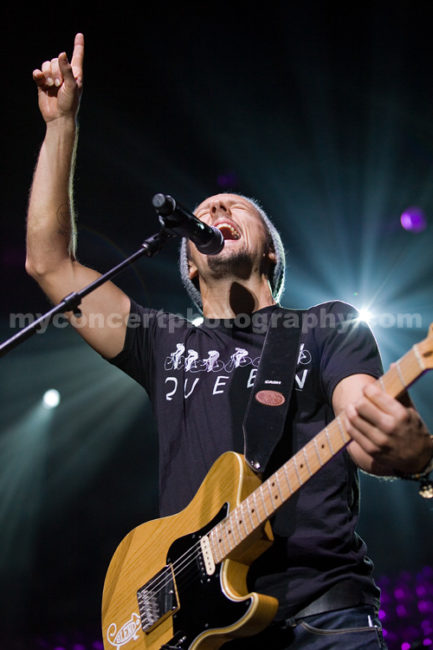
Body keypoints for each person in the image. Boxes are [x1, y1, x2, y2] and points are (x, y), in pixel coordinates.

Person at [26, 34, 433, 649]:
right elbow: (49, 264)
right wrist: (62, 125)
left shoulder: (328, 324)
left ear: (269, 253)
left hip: (322, 616)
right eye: (210, 207)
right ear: (190, 265)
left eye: (238, 208)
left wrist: (412, 454)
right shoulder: (163, 342)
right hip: (204, 629)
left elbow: (364, 427)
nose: (217, 205)